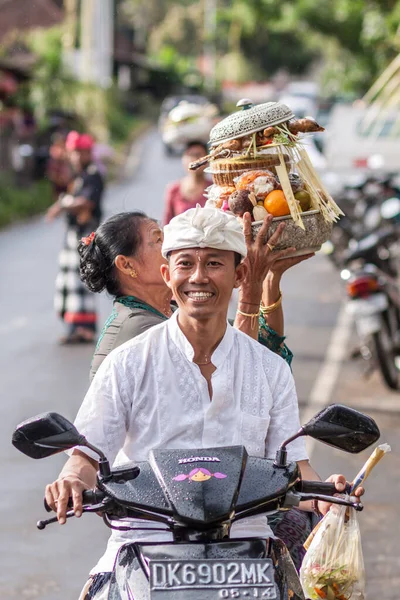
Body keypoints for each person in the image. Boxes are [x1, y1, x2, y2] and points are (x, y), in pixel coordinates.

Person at [46, 207, 361, 600]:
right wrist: (73, 479)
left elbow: (294, 463)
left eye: (214, 263)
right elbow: (87, 453)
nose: (198, 277)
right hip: (146, 543)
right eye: (186, 264)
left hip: (249, 552)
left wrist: (326, 492)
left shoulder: (269, 368)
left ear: (240, 275)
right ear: (167, 275)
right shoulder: (127, 363)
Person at [79, 210, 305, 380]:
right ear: (127, 265)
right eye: (158, 239)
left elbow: (261, 347)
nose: (170, 244)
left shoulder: (174, 312)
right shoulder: (138, 329)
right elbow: (233, 381)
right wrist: (250, 290)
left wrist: (269, 278)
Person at [46, 132, 104, 344]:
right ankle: (74, 327)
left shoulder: (93, 174)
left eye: (82, 152)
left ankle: (85, 328)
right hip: (74, 234)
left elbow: (86, 203)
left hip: (85, 235)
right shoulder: (78, 176)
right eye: (74, 153)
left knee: (82, 280)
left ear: (89, 153)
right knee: (69, 281)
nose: (78, 157)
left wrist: (62, 205)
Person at [162, 141, 209, 225]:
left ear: (207, 161)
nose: (195, 160)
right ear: (183, 160)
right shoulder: (174, 190)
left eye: (198, 155)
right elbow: (167, 224)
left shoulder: (214, 189)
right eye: (190, 155)